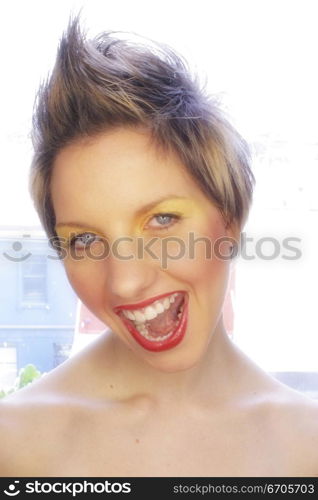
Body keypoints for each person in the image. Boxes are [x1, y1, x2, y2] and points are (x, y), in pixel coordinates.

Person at [0, 17, 317, 478]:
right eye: (85, 240)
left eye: (162, 220)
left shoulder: (306, 449)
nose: (125, 281)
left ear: (229, 218)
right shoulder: (15, 446)